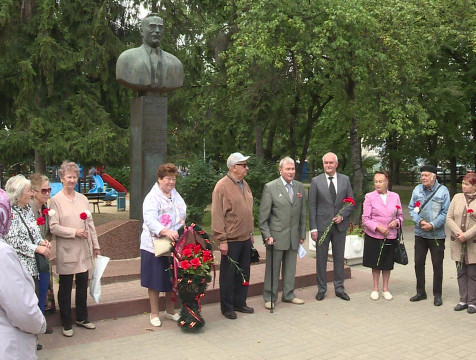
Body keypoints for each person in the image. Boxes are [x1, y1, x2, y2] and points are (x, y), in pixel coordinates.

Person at [49, 161, 101, 337]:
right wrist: (74, 232)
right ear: (62, 178)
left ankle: (82, 317)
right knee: (64, 287)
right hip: (67, 250)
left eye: (75, 177)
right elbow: (54, 227)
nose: (72, 180)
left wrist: (96, 245)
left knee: (81, 284)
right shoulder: (55, 201)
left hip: (83, 250)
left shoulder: (83, 198)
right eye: (68, 177)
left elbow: (90, 224)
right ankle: (66, 322)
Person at [3, 175, 51, 351]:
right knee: (25, 303)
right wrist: (35, 249)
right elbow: (13, 241)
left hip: (35, 266)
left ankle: (33, 336)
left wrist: (41, 242)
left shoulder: (26, 210)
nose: (31, 193)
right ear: (18, 193)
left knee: (36, 299)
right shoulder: (11, 213)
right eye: (28, 191)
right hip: (22, 266)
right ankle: (25, 337)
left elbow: (34, 231)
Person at [259, 157, 307, 310]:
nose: (291, 172)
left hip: (293, 236)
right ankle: (270, 296)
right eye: (288, 169)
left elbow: (302, 213)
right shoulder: (270, 187)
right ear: (280, 170)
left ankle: (288, 294)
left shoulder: (300, 187)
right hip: (276, 237)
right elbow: (263, 217)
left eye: (293, 169)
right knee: (273, 269)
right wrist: (267, 235)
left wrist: (302, 234)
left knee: (290, 267)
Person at [140, 163, 185, 327]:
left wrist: (180, 227)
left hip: (172, 243)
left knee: (171, 278)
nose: (171, 182)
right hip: (154, 245)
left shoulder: (174, 194)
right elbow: (150, 220)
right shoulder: (152, 198)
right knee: (154, 279)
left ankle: (170, 311)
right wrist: (165, 230)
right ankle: (153, 313)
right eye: (168, 179)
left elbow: (182, 210)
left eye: (173, 179)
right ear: (159, 179)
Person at [212, 152, 254, 319]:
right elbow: (217, 215)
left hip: (245, 238)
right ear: (233, 167)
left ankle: (240, 302)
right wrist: (221, 240)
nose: (247, 168)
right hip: (231, 240)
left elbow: (248, 211)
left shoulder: (245, 184)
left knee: (244, 273)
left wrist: (251, 233)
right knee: (228, 276)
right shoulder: (222, 186)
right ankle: (227, 307)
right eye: (243, 165)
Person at [309, 152, 354, 301]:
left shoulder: (345, 180)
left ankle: (339, 288)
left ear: (336, 164)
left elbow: (351, 202)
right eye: (325, 163)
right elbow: (312, 206)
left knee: (339, 258)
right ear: (323, 165)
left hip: (339, 227)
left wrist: (342, 215)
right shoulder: (315, 181)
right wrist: (313, 228)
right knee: (321, 259)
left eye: (330, 163)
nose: (328, 165)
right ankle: (321, 289)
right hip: (322, 227)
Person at [408, 165, 450, 306]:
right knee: (418, 263)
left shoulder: (443, 191)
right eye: (422, 175)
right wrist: (419, 221)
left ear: (434, 176)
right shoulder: (417, 190)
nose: (423, 178)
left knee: (437, 265)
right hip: (420, 234)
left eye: (426, 175)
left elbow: (446, 213)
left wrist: (432, 224)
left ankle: (437, 294)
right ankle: (421, 292)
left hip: (436, 235)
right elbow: (411, 208)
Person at [362, 171, 404, 301]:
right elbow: (365, 219)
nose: (378, 184)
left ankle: (386, 289)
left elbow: (400, 216)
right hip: (375, 235)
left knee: (387, 263)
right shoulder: (369, 197)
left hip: (390, 235)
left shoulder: (395, 196)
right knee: (376, 263)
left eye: (380, 181)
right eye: (376, 181)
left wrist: (396, 222)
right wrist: (378, 227)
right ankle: (375, 288)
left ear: (387, 182)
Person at [116, 14, 184, 93]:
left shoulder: (175, 63)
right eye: (152, 26)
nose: (158, 31)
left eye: (160, 27)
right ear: (141, 31)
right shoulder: (126, 58)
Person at [446, 172, 476, 313]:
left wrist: (467, 235)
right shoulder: (457, 198)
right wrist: (459, 233)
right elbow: (449, 217)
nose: (463, 187)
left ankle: (472, 302)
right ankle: (463, 299)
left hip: (472, 243)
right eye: (463, 184)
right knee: (460, 272)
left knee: (472, 273)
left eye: (467, 184)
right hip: (458, 242)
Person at [29, 173, 55, 333]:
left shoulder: (46, 209)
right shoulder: (29, 210)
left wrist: (46, 239)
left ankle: (41, 321)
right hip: (32, 257)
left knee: (43, 289)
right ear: (34, 191)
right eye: (43, 190)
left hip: (43, 256)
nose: (47, 193)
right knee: (35, 291)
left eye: (49, 190)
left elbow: (48, 231)